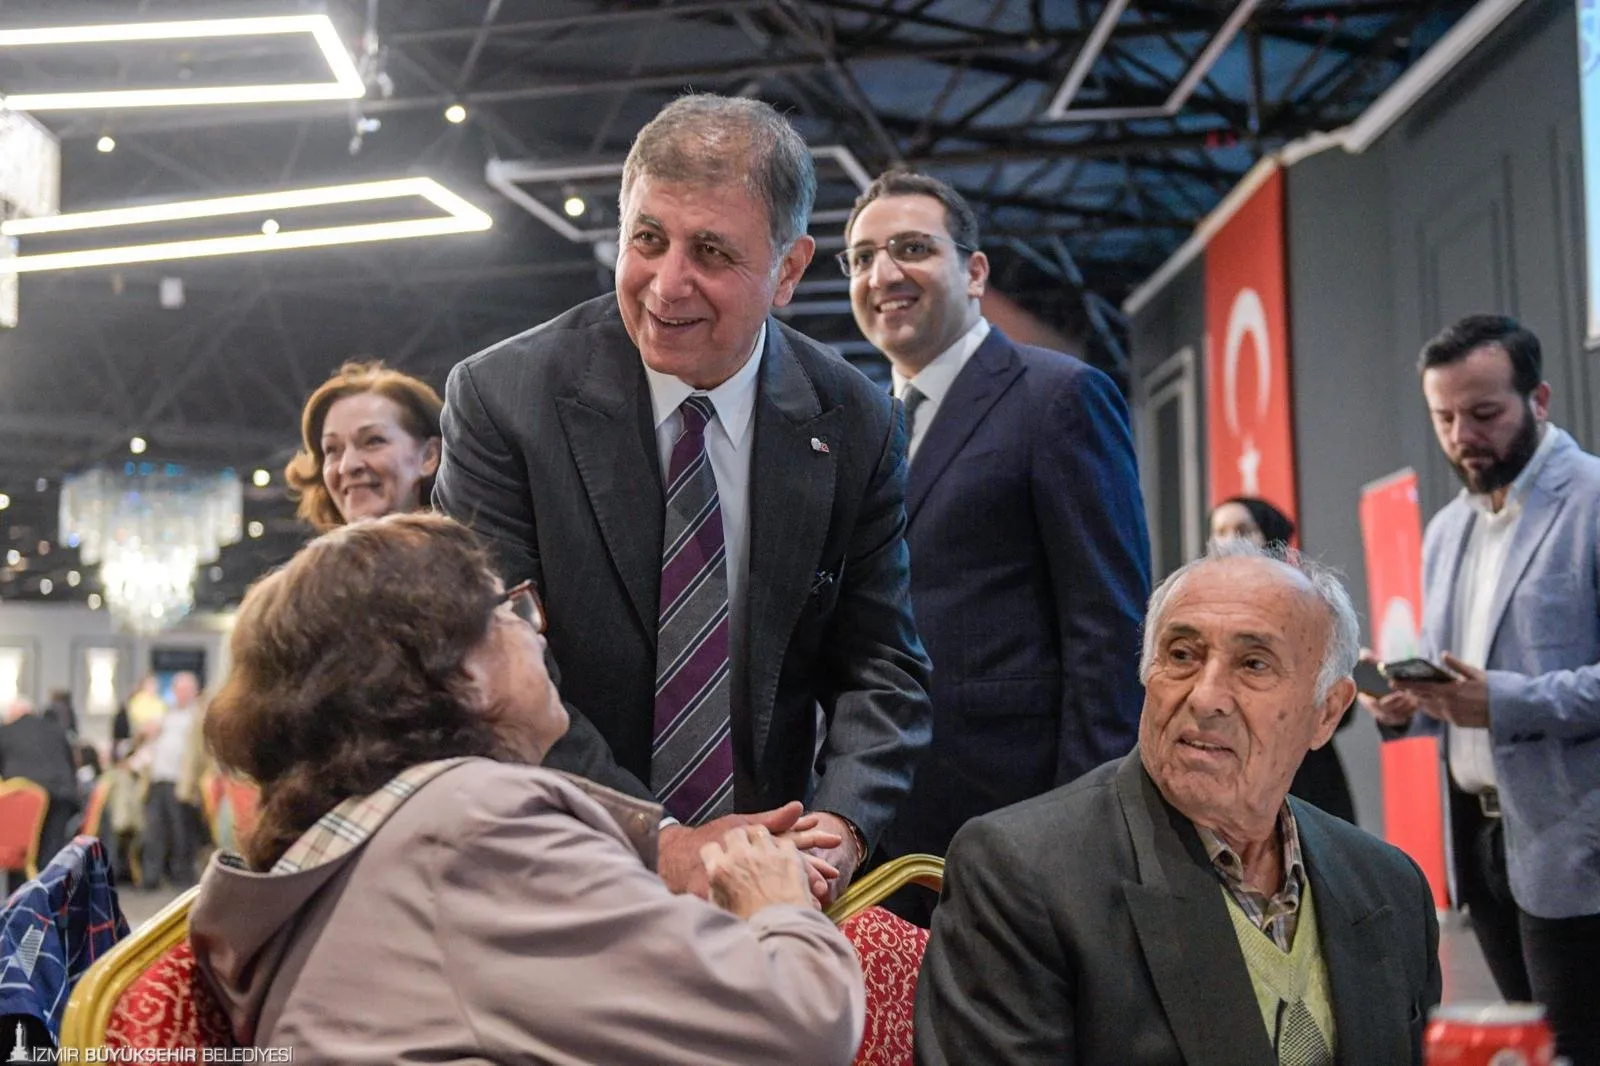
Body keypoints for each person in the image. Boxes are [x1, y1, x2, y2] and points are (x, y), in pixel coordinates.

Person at [434, 94, 933, 903]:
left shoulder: (856, 420)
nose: (668, 285)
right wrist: (655, 841)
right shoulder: (503, 399)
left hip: (766, 884)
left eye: (710, 251)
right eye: (648, 240)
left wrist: (841, 823)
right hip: (551, 867)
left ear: (790, 270)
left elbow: (883, 664)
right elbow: (488, 669)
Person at [189, 513, 865, 1064]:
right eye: (506, 609)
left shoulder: (364, 838)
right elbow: (799, 1028)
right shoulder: (472, 825)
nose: (536, 631)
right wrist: (777, 904)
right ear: (458, 674)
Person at [916, 540, 1441, 1066]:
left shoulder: (1389, 885)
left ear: (1327, 712)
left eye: (1253, 664)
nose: (1205, 697)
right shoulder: (1021, 874)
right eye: (1182, 656)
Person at [841, 171, 1149, 915]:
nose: (883, 274)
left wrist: (1087, 829)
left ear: (974, 271)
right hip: (875, 824)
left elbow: (1109, 634)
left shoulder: (1059, 398)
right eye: (861, 258)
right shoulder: (854, 426)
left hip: (1018, 820)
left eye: (913, 248)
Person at [1360, 314, 1600, 1063]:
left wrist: (1505, 699)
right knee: (1531, 1050)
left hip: (1580, 845)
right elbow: (1457, 687)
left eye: (1485, 413)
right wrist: (1406, 706)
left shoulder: (1592, 499)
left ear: (1541, 399)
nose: (1464, 434)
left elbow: (1501, 692)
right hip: (1484, 844)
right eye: (1445, 417)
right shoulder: (1445, 531)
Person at [1209, 497, 1358, 824]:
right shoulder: (1198, 607)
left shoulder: (1308, 604)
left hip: (1302, 773)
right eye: (1219, 530)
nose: (1230, 540)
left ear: (1270, 538)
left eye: (1242, 529)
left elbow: (1340, 704)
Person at [284, 359, 443, 530]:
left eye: (373, 441)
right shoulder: (320, 557)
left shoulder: (471, 554)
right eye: (331, 449)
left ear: (429, 456)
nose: (347, 466)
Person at [138, 672, 206, 889]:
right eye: (178, 689)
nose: (181, 694)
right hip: (158, 778)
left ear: (194, 692)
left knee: (181, 832)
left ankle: (182, 878)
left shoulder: (199, 717)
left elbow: (201, 754)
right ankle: (151, 877)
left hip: (182, 782)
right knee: (153, 831)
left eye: (185, 690)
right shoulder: (165, 714)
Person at [0, 697, 81, 865]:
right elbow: (72, 767)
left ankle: (21, 885)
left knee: (21, 853)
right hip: (62, 797)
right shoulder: (56, 730)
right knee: (50, 855)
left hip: (23, 801)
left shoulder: (7, 731)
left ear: (13, 715)